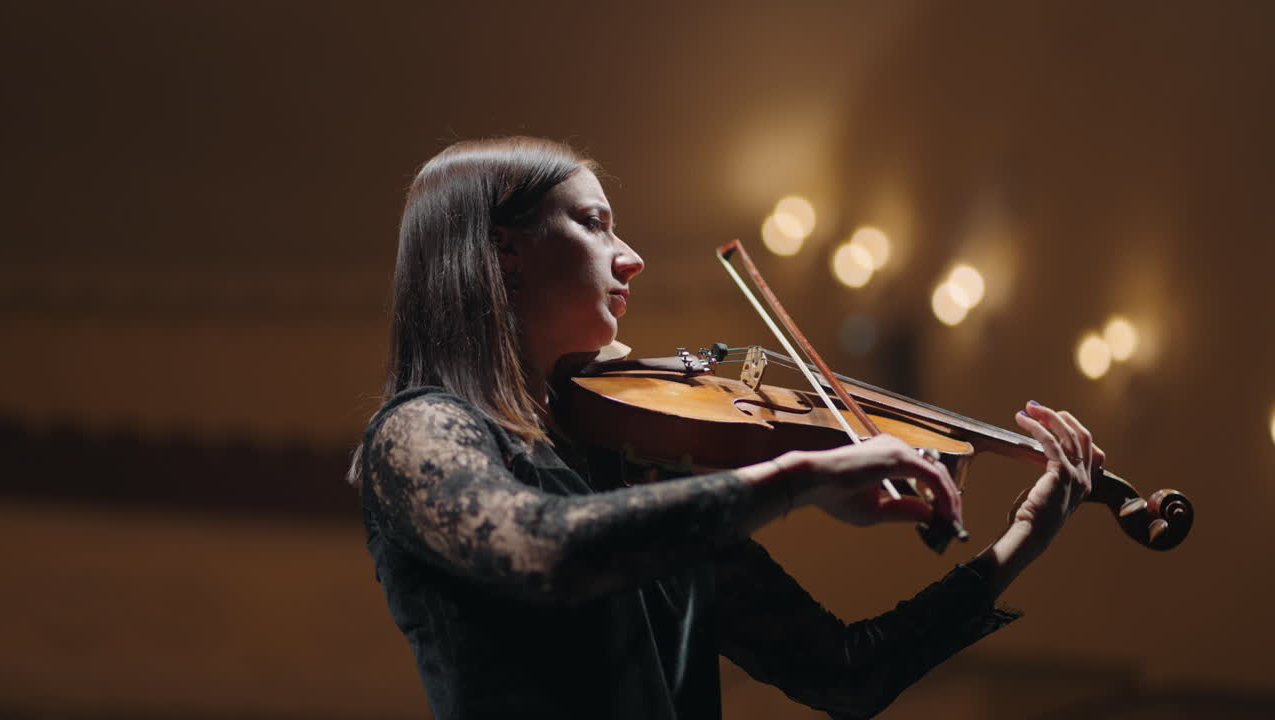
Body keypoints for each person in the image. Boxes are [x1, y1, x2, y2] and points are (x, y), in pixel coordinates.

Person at [349, 136, 1103, 719]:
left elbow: (845, 673)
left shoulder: (628, 461)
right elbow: (546, 546)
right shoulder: (421, 432)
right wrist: (795, 478)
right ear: (504, 253)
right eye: (593, 223)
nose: (632, 257)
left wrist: (1019, 545)